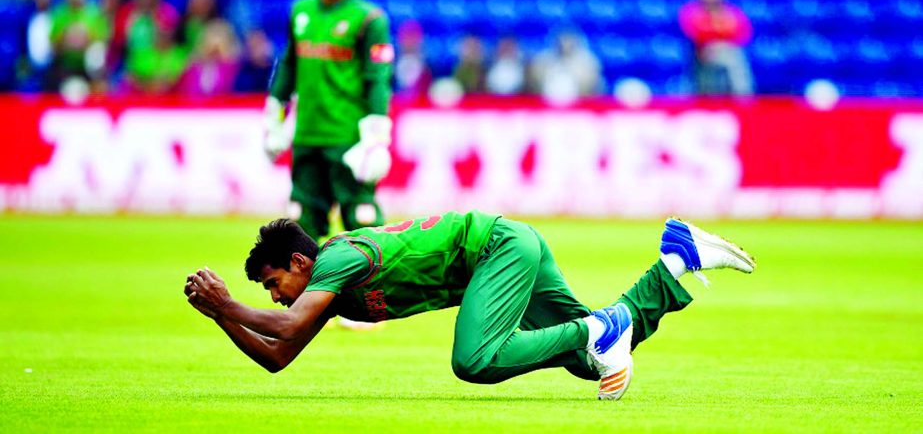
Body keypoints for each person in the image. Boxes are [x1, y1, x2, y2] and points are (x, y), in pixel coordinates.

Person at [184, 213, 756, 400]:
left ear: (300, 263)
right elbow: (277, 356)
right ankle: (676, 262)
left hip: (497, 250)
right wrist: (222, 315)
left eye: (272, 281)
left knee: (475, 360)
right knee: (589, 362)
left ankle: (601, 326)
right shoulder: (329, 291)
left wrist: (228, 302)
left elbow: (285, 322)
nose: (275, 294)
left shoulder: (339, 260)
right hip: (506, 251)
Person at [263, 0, 394, 240]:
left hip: (347, 138)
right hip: (307, 135)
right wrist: (273, 115)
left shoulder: (369, 18)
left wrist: (376, 136)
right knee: (300, 224)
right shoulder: (300, 11)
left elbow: (378, 78)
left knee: (363, 220)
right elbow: (288, 67)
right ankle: (308, 290)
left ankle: (379, 290)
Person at [678, 0, 754, 96]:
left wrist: (717, 31)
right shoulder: (691, 10)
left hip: (728, 50)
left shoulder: (731, 11)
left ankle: (743, 98)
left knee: (734, 56)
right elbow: (693, 32)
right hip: (701, 51)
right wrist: (720, 30)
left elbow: (743, 34)